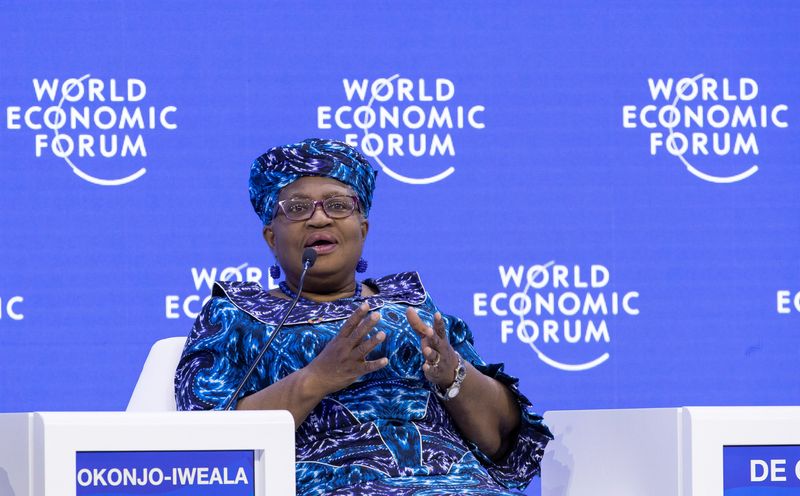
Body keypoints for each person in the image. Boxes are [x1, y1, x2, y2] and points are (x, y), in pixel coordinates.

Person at [175, 138, 551, 495]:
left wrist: (453, 373)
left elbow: (499, 439)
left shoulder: (414, 305)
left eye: (338, 205)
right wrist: (316, 378)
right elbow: (208, 444)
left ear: (363, 229)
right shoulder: (238, 315)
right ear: (271, 237)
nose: (319, 219)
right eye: (297, 208)